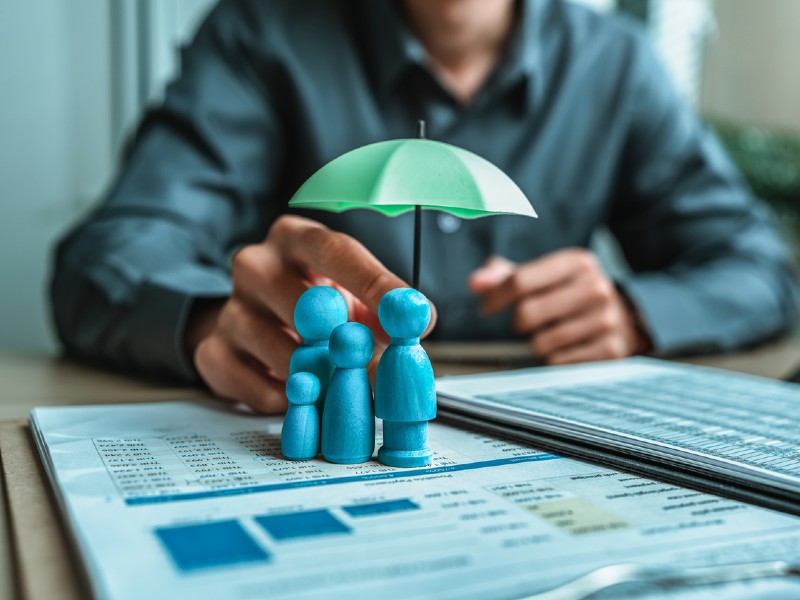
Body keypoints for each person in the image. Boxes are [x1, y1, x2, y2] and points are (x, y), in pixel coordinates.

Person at [51, 0, 798, 413]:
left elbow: (758, 268)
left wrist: (636, 312)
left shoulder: (617, 64)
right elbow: (108, 259)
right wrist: (217, 320)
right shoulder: (259, 33)